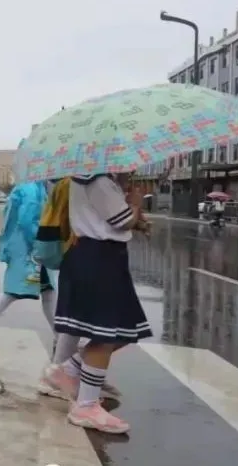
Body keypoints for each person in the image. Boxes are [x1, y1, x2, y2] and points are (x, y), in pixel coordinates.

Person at [39, 173, 150, 434]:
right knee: (105, 334)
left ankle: (68, 370)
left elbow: (111, 219)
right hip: (97, 260)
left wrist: (131, 208)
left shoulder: (98, 180)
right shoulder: (96, 179)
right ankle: (86, 405)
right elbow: (121, 221)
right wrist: (135, 203)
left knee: (125, 329)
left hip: (103, 259)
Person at [0, 180, 54, 346]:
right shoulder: (32, 191)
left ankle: (59, 336)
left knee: (48, 291)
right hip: (27, 250)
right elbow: (27, 221)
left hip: (26, 249)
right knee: (12, 292)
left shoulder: (32, 188)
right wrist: (41, 242)